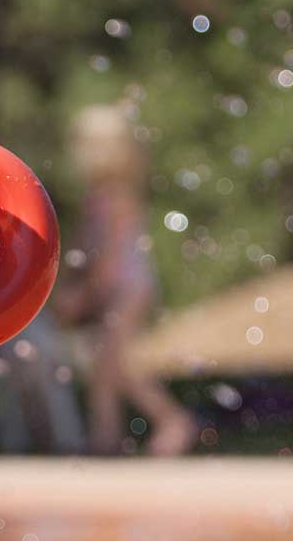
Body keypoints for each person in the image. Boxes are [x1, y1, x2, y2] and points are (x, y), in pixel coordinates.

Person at [52, 102, 197, 456]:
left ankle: (168, 421)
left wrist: (83, 295)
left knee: (113, 363)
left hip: (125, 290)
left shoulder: (115, 197)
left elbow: (106, 257)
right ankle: (106, 439)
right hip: (122, 288)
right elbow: (86, 249)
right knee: (107, 365)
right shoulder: (102, 196)